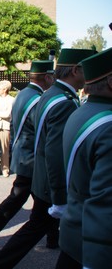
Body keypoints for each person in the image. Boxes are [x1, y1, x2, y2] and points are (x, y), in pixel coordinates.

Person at [0, 48, 96, 269]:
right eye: (85, 69)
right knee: (34, 230)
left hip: (41, 176)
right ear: (74, 70)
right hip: (49, 182)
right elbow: (54, 153)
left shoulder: (50, 95)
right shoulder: (63, 101)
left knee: (36, 228)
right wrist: (60, 197)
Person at [0, 60, 54, 255]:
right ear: (47, 76)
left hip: (25, 155)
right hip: (32, 158)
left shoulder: (25, 94)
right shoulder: (36, 98)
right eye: (52, 76)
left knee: (39, 202)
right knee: (22, 201)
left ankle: (54, 237)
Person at [56, 48, 112, 269]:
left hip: (75, 227)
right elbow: (106, 202)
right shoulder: (108, 125)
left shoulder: (83, 111)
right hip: (93, 240)